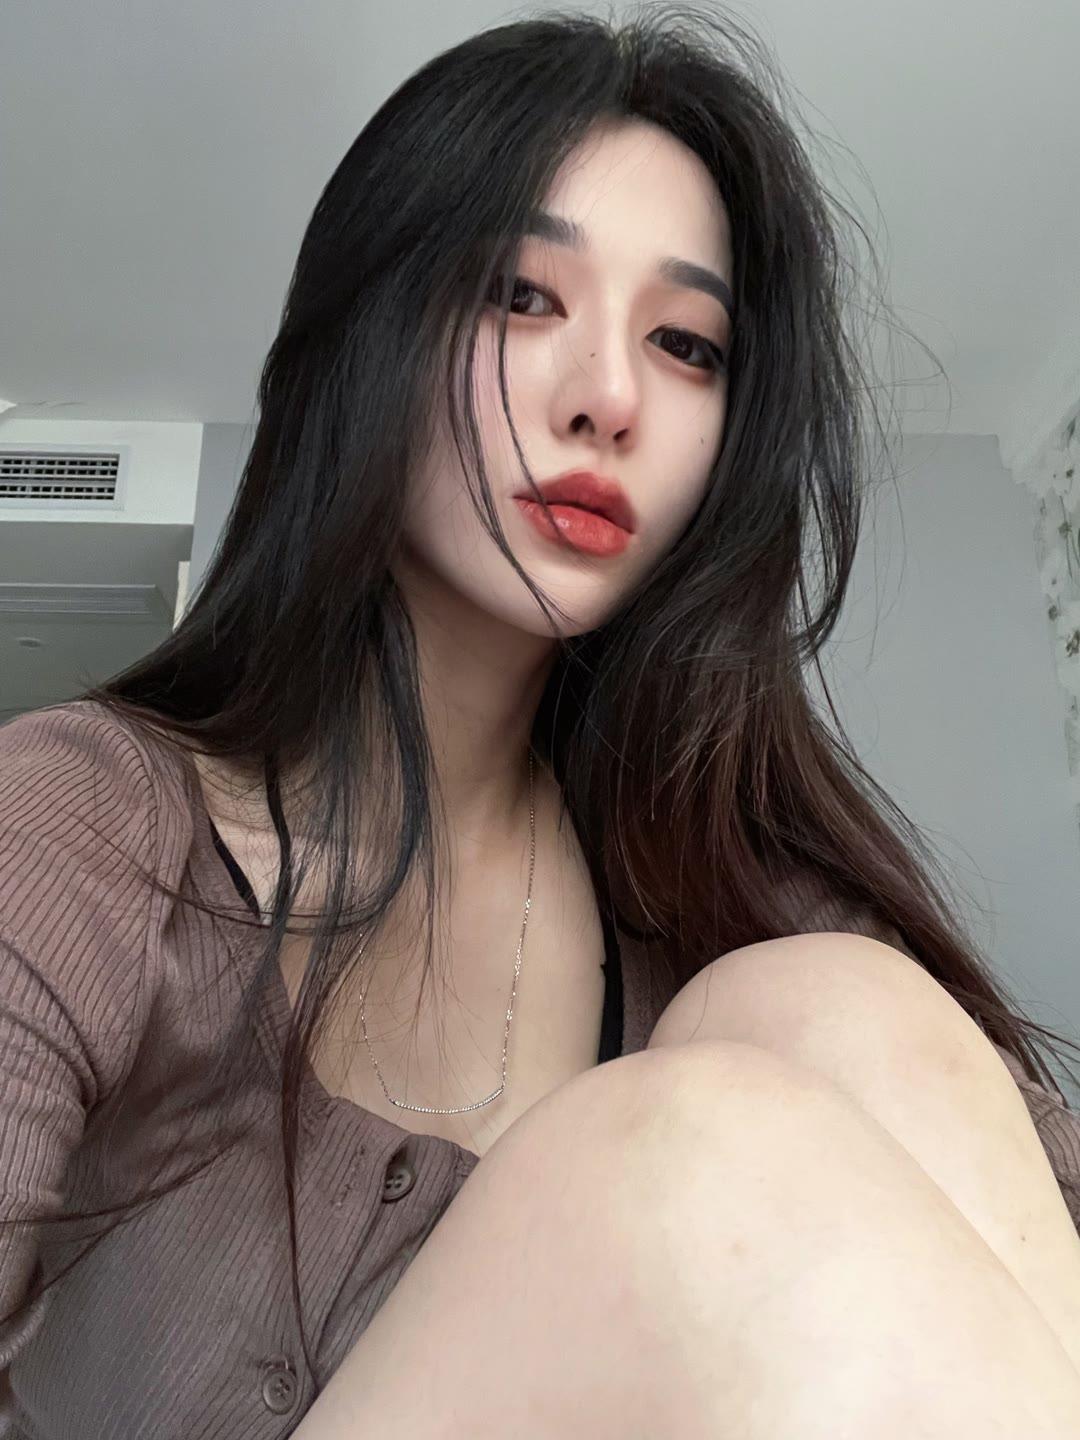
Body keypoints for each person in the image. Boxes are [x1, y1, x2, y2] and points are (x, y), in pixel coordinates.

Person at [3, 5, 1080, 1436]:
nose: (611, 398)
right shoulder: (83, 817)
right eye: (521, 295)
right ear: (372, 327)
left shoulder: (721, 903)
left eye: (687, 343)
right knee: (688, 1152)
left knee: (834, 1003)